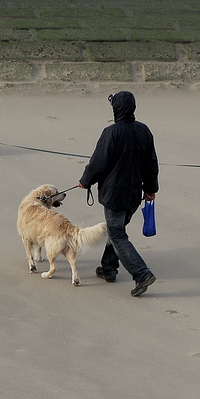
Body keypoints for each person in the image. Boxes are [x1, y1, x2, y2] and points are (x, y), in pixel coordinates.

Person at [78, 91, 160, 297]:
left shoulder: (111, 132)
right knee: (118, 230)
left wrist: (85, 180)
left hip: (115, 195)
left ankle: (141, 273)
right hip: (133, 194)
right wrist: (150, 188)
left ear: (116, 109)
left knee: (117, 234)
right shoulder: (144, 130)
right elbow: (151, 163)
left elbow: (99, 162)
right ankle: (109, 268)